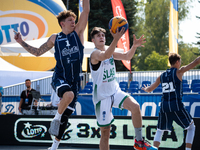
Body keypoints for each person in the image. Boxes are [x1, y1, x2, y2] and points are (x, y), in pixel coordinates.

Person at [14, 1, 89, 149]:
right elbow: (37, 52)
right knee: (68, 96)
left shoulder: (78, 33)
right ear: (62, 23)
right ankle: (56, 118)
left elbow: (86, 11)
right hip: (60, 77)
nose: (74, 22)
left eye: (75, 20)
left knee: (65, 118)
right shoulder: (55, 38)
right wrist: (21, 42)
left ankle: (54, 146)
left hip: (74, 81)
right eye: (70, 21)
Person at [89, 27, 157, 150]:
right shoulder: (95, 53)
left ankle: (139, 141)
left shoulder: (109, 51)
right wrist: (116, 39)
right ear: (93, 40)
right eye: (98, 36)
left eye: (103, 35)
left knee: (135, 107)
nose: (101, 37)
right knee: (105, 133)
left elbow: (127, 56)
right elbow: (105, 55)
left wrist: (134, 46)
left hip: (115, 91)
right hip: (102, 97)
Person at [142, 53, 199, 150]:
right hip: (176, 105)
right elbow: (196, 62)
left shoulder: (162, 76)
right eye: (180, 62)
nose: (180, 64)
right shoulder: (179, 72)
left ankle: (154, 149)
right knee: (191, 127)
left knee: (159, 130)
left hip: (164, 106)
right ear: (177, 62)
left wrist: (146, 88)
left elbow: (150, 89)